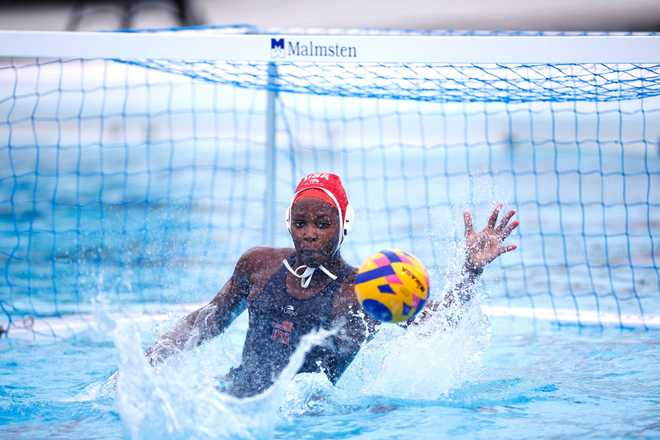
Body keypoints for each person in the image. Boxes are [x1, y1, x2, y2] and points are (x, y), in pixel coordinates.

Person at [144, 172, 519, 397]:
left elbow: (439, 325)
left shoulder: (363, 291)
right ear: (287, 222)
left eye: (322, 224)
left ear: (344, 226)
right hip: (232, 396)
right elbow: (207, 321)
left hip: (309, 419)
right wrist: (146, 362)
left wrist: (471, 270)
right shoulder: (257, 265)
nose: (309, 234)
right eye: (300, 223)